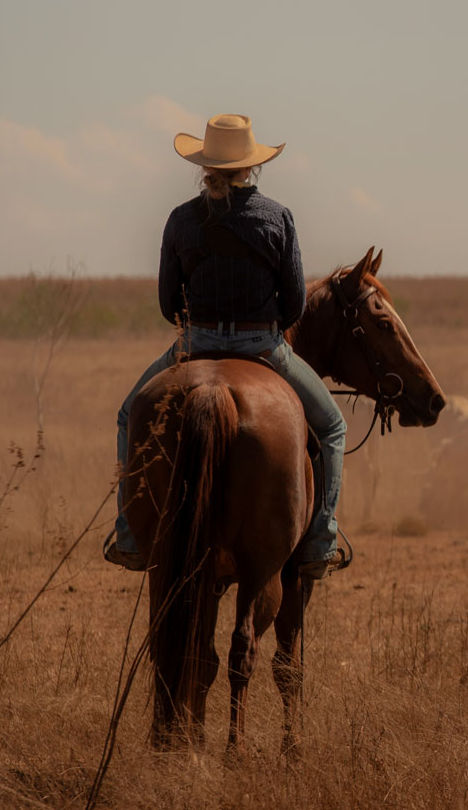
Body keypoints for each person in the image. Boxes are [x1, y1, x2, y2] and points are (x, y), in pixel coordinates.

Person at [104, 113, 348, 579]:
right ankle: (320, 540)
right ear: (251, 168)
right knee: (333, 427)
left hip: (193, 343)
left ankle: (130, 536)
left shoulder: (179, 219)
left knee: (127, 415)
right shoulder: (278, 217)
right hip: (264, 346)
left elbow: (165, 302)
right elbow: (295, 303)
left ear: (204, 166)